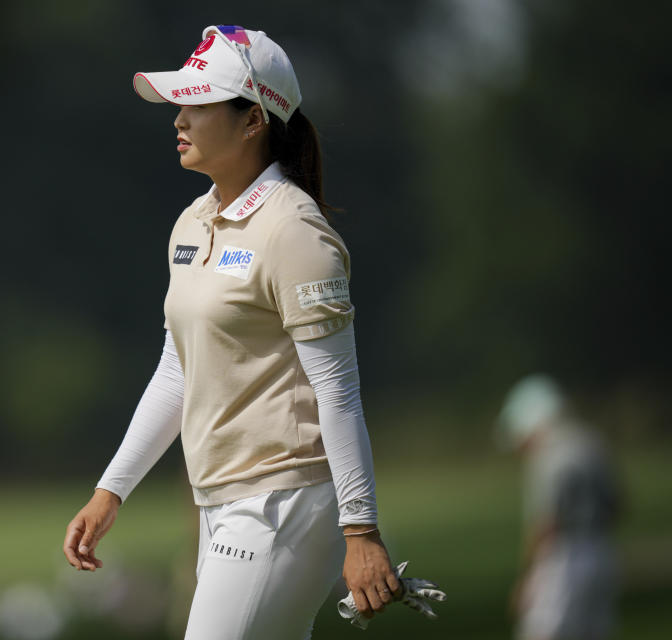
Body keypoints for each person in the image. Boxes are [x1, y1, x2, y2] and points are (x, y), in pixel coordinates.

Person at [63, 25, 441, 638]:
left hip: (285, 501)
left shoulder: (294, 231)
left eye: (198, 103)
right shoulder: (191, 223)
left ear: (252, 121)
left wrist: (361, 530)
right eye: (179, 104)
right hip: (222, 501)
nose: (178, 119)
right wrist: (111, 491)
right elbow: (177, 369)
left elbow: (337, 393)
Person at [497, 374, 621, 640]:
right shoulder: (590, 442)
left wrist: (527, 579)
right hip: (603, 550)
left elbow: (546, 522)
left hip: (562, 557)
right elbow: (618, 504)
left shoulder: (548, 454)